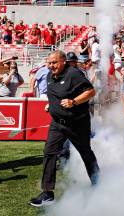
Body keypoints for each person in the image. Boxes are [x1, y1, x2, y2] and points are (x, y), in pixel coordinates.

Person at [30, 51, 100, 207]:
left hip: (77, 123)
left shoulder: (74, 74)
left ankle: (98, 183)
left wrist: (74, 102)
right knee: (49, 152)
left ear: (63, 62)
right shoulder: (49, 75)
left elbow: (91, 92)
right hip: (57, 124)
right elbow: (55, 95)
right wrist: (52, 105)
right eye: (49, 63)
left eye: (54, 62)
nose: (51, 66)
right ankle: (48, 193)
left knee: (85, 153)